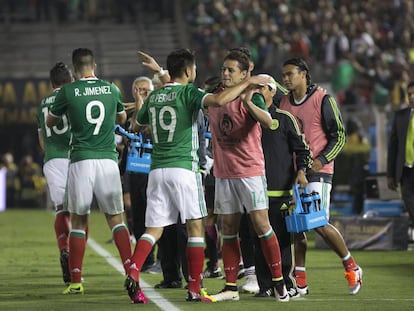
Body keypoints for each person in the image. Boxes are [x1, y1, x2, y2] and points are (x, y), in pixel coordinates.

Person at [124, 48, 272, 304]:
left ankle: (134, 271)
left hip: (157, 170)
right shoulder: (191, 93)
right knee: (195, 228)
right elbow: (217, 101)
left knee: (153, 229)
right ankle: (194, 289)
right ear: (189, 71)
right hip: (184, 168)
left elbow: (137, 125)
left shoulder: (156, 95)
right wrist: (248, 81)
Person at [46, 48, 132, 295]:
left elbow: (52, 122)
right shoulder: (112, 88)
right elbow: (123, 118)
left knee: (78, 221)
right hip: (107, 160)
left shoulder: (68, 91)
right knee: (116, 219)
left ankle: (76, 282)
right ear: (94, 66)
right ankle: (130, 272)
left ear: (74, 70)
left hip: (81, 160)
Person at [207, 50, 289, 302]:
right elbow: (218, 102)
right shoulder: (215, 94)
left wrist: (248, 102)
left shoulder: (253, 96)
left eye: (231, 70)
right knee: (228, 229)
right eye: (224, 69)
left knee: (262, 226)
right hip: (224, 173)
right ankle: (231, 287)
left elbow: (267, 121)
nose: (225, 73)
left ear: (244, 73)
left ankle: (279, 284)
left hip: (250, 172)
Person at [279, 57, 363, 295]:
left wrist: (320, 161)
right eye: (283, 75)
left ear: (304, 74)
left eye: (290, 74)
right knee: (297, 226)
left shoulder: (323, 99)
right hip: (293, 173)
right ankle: (301, 280)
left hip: (317, 172)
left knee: (317, 222)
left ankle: (352, 266)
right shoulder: (283, 102)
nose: (286, 79)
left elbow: (340, 136)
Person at [254, 74, 312, 298]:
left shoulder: (285, 119)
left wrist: (301, 171)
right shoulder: (249, 117)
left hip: (280, 190)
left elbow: (303, 150)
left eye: (261, 88)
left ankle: (284, 282)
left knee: (281, 239)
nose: (257, 91)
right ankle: (264, 285)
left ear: (271, 91)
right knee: (257, 239)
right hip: (254, 189)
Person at [36, 62, 73, 285]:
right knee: (80, 212)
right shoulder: (72, 97)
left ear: (51, 83)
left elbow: (41, 139)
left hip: (52, 159)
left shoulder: (42, 104)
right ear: (69, 81)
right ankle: (76, 265)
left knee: (61, 209)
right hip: (75, 157)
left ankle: (64, 249)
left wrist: (51, 153)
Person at [387, 80, 414, 232]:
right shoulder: (401, 116)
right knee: (410, 204)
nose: (411, 97)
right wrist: (391, 174)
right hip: (405, 171)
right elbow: (393, 147)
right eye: (409, 94)